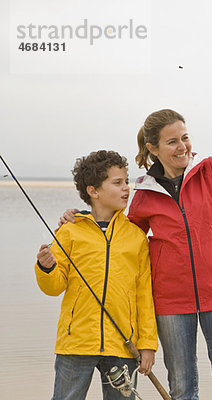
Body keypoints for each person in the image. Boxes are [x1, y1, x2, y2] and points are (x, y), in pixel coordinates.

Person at [60, 95, 212, 400]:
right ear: (153, 149)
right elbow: (122, 237)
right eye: (172, 141)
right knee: (182, 387)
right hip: (171, 302)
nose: (182, 147)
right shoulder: (144, 194)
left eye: (185, 138)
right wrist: (82, 218)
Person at [37, 150, 158, 400]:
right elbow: (54, 286)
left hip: (123, 344)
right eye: (117, 183)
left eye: (126, 181)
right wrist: (47, 268)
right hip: (76, 342)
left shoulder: (136, 237)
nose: (126, 188)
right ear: (93, 191)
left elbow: (144, 295)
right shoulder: (69, 231)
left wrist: (147, 345)